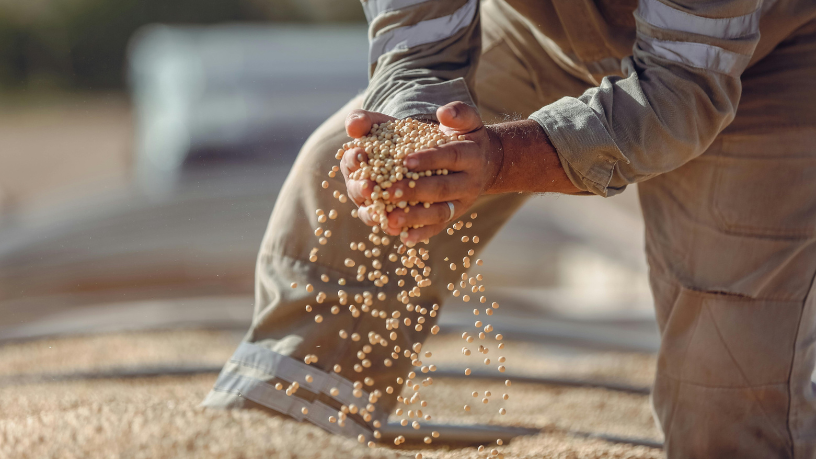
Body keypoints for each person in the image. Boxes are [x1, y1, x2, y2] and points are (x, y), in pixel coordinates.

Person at [203, 0, 816, 456]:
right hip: (538, 29)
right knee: (339, 194)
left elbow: (683, 88)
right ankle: (272, 437)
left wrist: (501, 157)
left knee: (727, 392)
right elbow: (420, 52)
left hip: (759, 57)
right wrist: (413, 141)